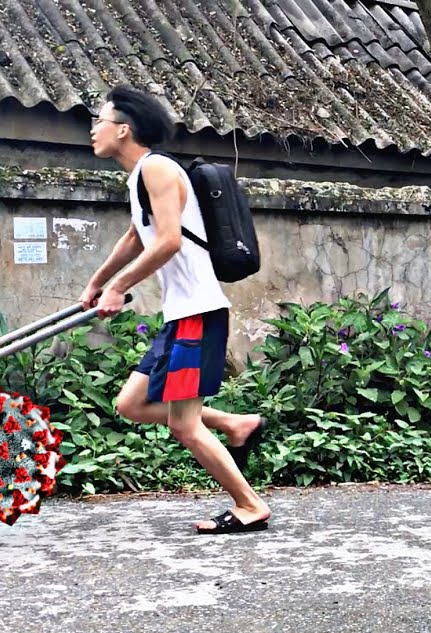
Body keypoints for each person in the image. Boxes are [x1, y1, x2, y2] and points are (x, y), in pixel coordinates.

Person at [81, 85, 270, 533]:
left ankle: (250, 506)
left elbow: (168, 241)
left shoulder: (158, 168)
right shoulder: (140, 176)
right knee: (131, 403)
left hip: (197, 315)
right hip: (181, 317)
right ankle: (235, 423)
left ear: (123, 129)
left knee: (183, 426)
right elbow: (136, 236)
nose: (92, 130)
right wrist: (97, 282)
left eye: (99, 121)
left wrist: (119, 288)